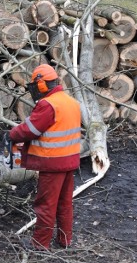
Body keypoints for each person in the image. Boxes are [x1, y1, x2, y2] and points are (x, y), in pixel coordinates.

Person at [7, 64, 82, 250]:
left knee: (45, 205)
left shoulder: (48, 105)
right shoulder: (70, 101)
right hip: (70, 161)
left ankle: (40, 245)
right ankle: (65, 241)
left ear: (41, 85)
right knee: (64, 204)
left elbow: (30, 129)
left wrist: (12, 134)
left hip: (53, 164)